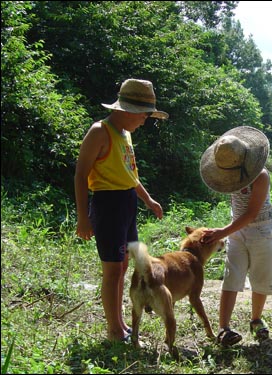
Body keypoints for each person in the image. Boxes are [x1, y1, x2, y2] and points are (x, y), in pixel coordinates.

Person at [74, 78, 167, 342]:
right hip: (108, 205)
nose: (144, 121)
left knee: (124, 265)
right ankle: (114, 330)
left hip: (127, 204)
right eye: (144, 116)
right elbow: (81, 175)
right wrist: (83, 216)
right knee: (112, 269)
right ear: (127, 110)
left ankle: (120, 322)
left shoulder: (125, 135)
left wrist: (148, 200)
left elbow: (130, 174)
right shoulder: (99, 132)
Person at [199, 126, 272, 346]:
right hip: (236, 230)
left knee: (261, 278)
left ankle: (256, 320)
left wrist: (221, 233)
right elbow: (240, 213)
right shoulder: (230, 177)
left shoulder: (260, 177)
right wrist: (226, 232)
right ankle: (224, 328)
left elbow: (252, 213)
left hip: (261, 230)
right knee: (232, 276)